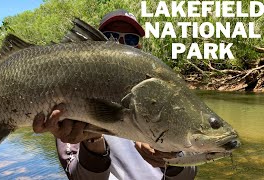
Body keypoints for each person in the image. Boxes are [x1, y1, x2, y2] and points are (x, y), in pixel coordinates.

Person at [33, 9, 197, 180]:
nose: (120, 43)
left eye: (131, 39)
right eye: (110, 36)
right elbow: (78, 177)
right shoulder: (72, 93)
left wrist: (170, 158)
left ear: (139, 47)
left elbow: (187, 175)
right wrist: (93, 143)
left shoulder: (164, 95)